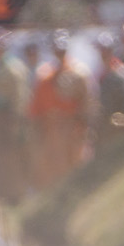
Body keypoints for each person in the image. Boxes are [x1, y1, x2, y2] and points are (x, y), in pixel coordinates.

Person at [27, 31, 96, 188]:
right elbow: (36, 109)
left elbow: (87, 104)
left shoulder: (79, 73)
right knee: (53, 169)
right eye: (56, 49)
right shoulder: (44, 76)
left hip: (73, 129)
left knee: (76, 164)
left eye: (62, 49)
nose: (59, 52)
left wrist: (83, 127)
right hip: (51, 131)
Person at [0, 32, 33, 202]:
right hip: (2, 117)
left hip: (11, 118)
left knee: (12, 157)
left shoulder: (13, 68)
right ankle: (3, 190)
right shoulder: (1, 66)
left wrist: (18, 122)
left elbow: (20, 97)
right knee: (0, 156)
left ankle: (15, 194)